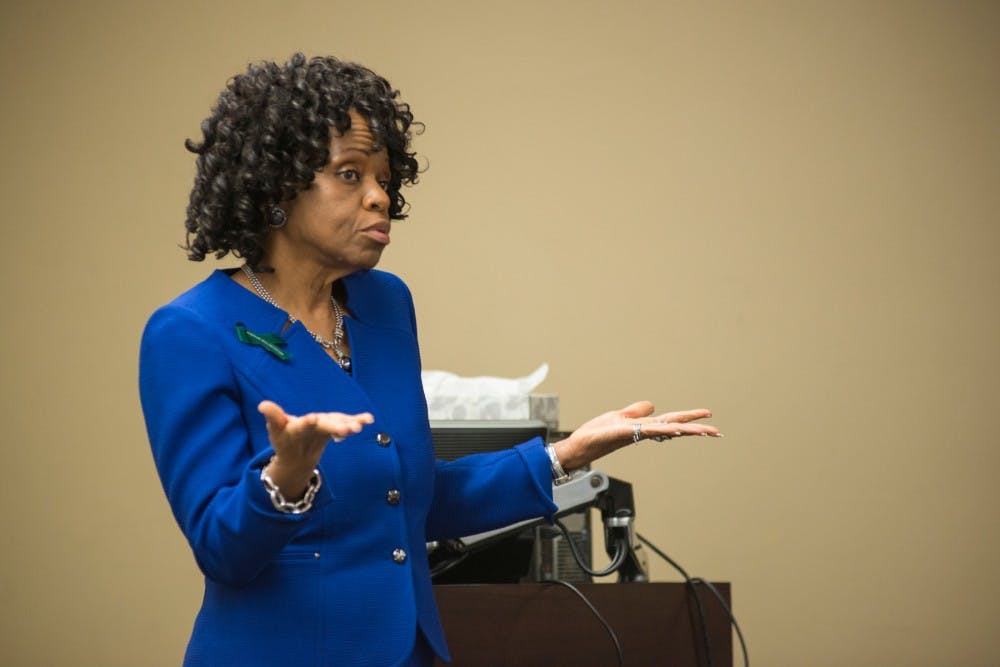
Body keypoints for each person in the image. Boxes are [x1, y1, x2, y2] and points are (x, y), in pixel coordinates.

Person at [139, 53, 721, 667]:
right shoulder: (190, 332)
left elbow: (413, 500)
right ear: (277, 188)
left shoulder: (384, 306)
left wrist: (565, 456)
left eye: (385, 179)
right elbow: (221, 550)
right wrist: (285, 478)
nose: (379, 198)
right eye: (349, 174)